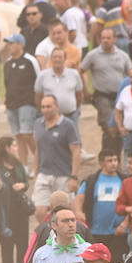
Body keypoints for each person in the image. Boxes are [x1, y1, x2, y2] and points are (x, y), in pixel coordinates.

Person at [32, 94, 82, 223]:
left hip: (63, 176)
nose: (45, 109)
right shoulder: (38, 124)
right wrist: (36, 174)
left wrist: (74, 177)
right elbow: (38, 150)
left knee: (64, 212)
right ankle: (47, 237)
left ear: (57, 107)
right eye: (43, 107)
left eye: (49, 106)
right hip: (44, 174)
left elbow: (76, 152)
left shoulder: (68, 125)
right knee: (39, 212)